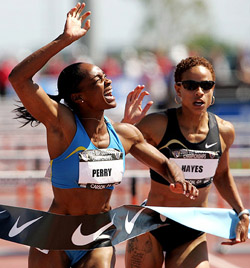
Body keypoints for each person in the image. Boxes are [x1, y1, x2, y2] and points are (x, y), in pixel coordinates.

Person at [8, 3, 199, 268]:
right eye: (98, 80)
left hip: (97, 235)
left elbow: (164, 163)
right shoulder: (62, 124)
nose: (108, 81)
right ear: (78, 97)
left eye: (106, 76)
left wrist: (178, 179)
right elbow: (19, 79)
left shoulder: (124, 133)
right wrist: (64, 40)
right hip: (54, 235)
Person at [123, 56, 250, 268]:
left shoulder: (224, 131)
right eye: (191, 85)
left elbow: (221, 174)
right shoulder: (157, 124)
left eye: (206, 85)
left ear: (212, 90)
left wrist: (241, 211)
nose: (199, 91)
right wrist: (126, 126)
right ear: (178, 90)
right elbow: (113, 152)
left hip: (192, 229)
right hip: (152, 224)